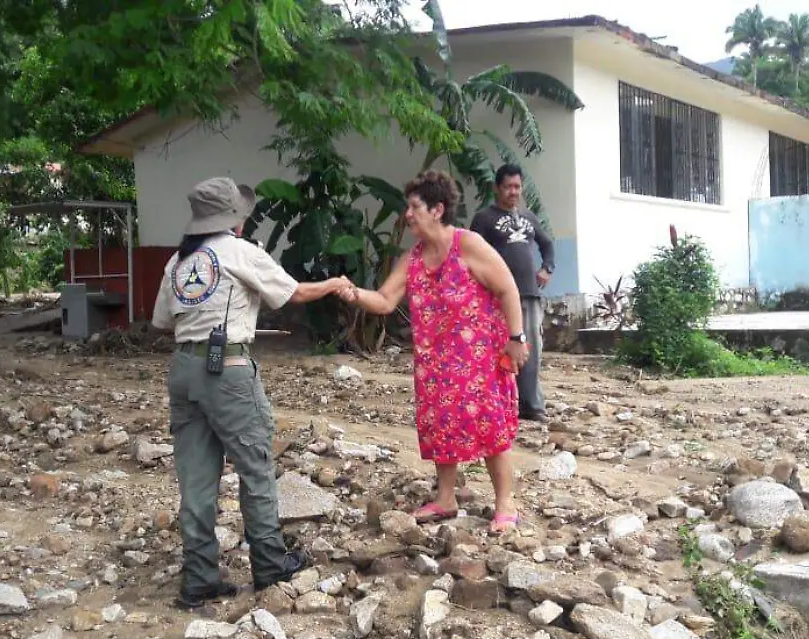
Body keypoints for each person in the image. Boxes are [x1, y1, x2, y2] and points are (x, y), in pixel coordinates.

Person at [152, 176, 352, 608]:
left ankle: (199, 579)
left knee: (196, 478)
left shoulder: (179, 261)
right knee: (255, 468)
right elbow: (294, 292)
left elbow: (163, 321)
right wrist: (334, 284)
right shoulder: (240, 252)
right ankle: (269, 564)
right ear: (234, 219)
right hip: (227, 368)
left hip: (183, 369)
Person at [337, 170, 529, 534]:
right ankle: (445, 498)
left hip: (479, 359)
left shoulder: (468, 244)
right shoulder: (413, 258)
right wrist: (354, 293)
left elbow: (508, 288)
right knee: (440, 426)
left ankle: (505, 503)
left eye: (414, 207)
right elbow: (385, 300)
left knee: (489, 427)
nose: (407, 214)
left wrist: (517, 338)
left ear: (437, 210)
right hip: (435, 363)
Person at [469, 164, 555, 423]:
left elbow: (547, 244)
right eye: (508, 187)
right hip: (496, 296)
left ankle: (531, 406)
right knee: (497, 350)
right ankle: (499, 405)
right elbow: (472, 254)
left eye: (517, 186)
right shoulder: (484, 218)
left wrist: (547, 268)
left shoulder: (529, 217)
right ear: (497, 188)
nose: (513, 192)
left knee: (531, 350)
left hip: (528, 293)